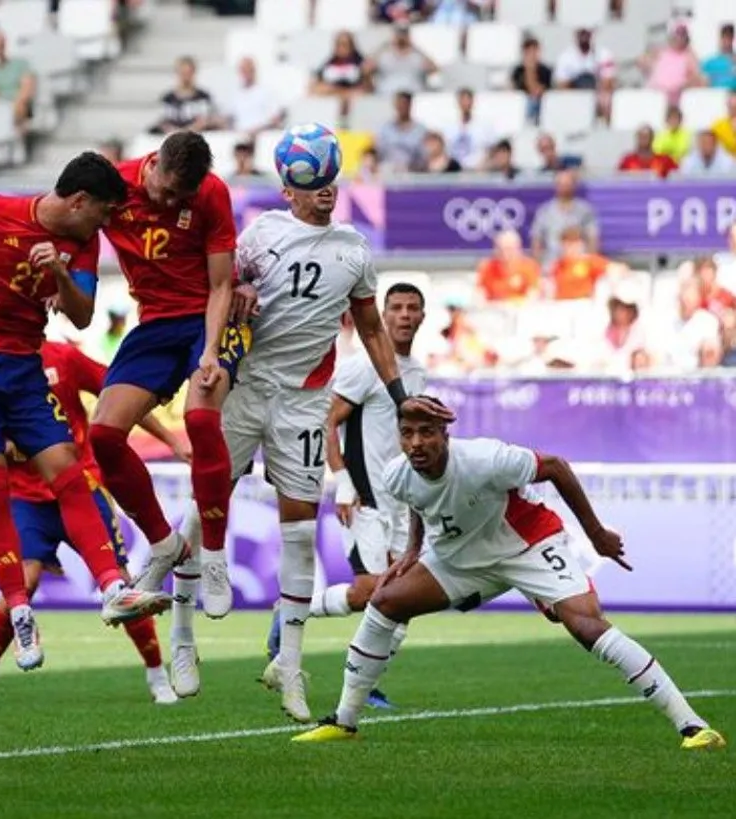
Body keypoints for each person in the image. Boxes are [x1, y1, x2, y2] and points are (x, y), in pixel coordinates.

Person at [167, 184, 450, 721]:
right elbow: (221, 286)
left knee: (299, 532)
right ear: (288, 189)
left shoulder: (353, 249)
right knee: (204, 512)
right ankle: (182, 635)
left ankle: (290, 665)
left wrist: (400, 399)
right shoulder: (262, 235)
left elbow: (369, 327)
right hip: (245, 387)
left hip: (302, 401)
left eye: (331, 178)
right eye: (311, 178)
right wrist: (237, 301)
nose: (324, 188)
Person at [295, 402, 727, 751]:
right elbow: (418, 504)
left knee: (585, 625)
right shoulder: (398, 473)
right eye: (408, 433)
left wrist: (596, 534)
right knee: (385, 599)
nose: (417, 442)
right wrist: (411, 550)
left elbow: (555, 466)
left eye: (427, 433)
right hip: (461, 558)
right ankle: (344, 722)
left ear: (446, 435)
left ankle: (693, 726)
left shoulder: (485, 458)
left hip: (527, 544)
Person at [0, 153, 167, 670]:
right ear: (79, 200)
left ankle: (112, 587)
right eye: (102, 212)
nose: (106, 223)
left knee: (70, 472)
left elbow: (80, 316)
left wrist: (59, 272)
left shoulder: (82, 243)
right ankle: (18, 607)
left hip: (23, 367)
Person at [0, 338, 190, 708]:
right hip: (25, 499)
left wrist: (171, 440)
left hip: (79, 485)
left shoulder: (63, 357)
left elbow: (119, 394)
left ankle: (157, 674)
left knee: (121, 585)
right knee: (24, 581)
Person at [88, 131, 244, 608]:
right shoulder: (112, 186)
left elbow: (221, 285)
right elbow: (69, 224)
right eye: (167, 191)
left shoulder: (212, 192)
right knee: (104, 435)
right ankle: (165, 544)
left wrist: (211, 351)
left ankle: (213, 556)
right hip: (154, 324)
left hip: (205, 319)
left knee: (200, 418)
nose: (173, 201)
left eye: (183, 196)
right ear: (152, 166)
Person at [283, 283, 428, 711]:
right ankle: (290, 616)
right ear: (383, 316)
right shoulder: (363, 367)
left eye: (412, 308)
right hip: (363, 497)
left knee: (403, 602)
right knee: (370, 589)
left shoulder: (416, 372)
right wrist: (342, 480)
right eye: (396, 308)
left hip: (403, 505)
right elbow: (326, 422)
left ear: (422, 316)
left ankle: (368, 683)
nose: (404, 315)